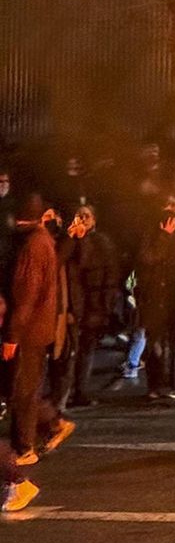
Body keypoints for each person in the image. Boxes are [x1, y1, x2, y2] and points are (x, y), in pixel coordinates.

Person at [1, 197, 74, 513]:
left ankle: (20, 467)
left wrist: (13, 335)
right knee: (23, 389)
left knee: (23, 389)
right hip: (34, 329)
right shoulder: (39, 242)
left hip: (29, 331)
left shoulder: (32, 246)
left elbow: (26, 294)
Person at [52, 205, 120, 408]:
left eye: (86, 216)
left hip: (93, 305)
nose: (82, 219)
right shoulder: (67, 241)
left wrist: (106, 306)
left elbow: (102, 270)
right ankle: (64, 394)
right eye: (78, 215)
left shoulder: (102, 242)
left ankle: (80, 390)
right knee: (69, 351)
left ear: (94, 220)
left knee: (86, 350)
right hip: (74, 305)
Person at [136, 199, 175, 400]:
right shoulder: (151, 235)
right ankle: (156, 384)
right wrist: (163, 237)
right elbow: (148, 258)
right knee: (155, 344)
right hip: (156, 297)